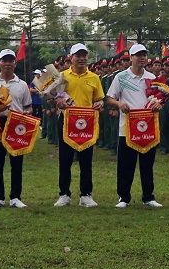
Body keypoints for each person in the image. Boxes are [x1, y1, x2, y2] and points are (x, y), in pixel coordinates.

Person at [105, 44, 162, 208]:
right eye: (138, 55)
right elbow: (109, 98)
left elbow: (159, 98)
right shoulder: (121, 77)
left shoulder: (152, 77)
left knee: (147, 163)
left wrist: (159, 105)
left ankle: (148, 197)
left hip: (148, 127)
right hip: (127, 128)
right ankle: (123, 197)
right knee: (125, 164)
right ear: (131, 57)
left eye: (144, 55)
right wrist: (119, 103)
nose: (142, 58)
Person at [54, 43, 105, 207]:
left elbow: (99, 99)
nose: (82, 58)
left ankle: (86, 194)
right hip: (67, 121)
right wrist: (59, 100)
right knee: (65, 159)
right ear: (71, 58)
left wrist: (100, 104)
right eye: (78, 55)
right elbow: (52, 96)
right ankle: (64, 194)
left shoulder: (94, 78)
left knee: (86, 159)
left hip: (87, 123)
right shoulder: (62, 76)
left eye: (84, 55)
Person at [0, 49, 33, 209]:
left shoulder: (22, 85)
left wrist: (25, 115)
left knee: (17, 162)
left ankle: (15, 197)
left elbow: (28, 107)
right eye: (4, 60)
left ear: (15, 63)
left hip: (16, 125)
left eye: (10, 60)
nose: (7, 63)